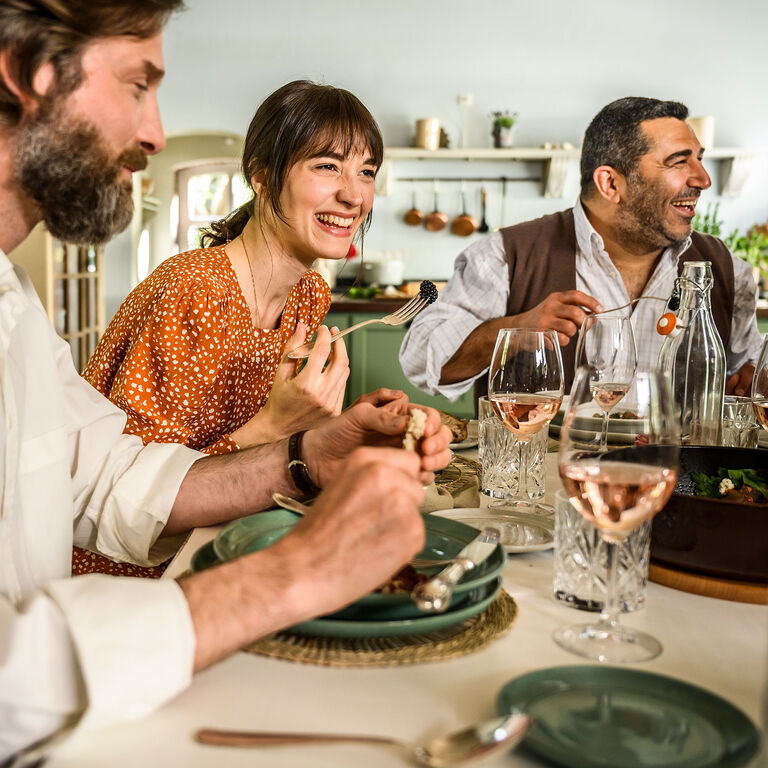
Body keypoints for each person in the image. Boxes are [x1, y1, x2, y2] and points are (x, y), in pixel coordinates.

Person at [0, 1, 451, 760]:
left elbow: (104, 474)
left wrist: (308, 454)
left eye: (366, 172)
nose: (156, 134)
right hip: (119, 635)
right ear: (28, 76)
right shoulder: (190, 292)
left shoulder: (14, 300)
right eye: (139, 84)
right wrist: (289, 573)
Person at [73, 80, 382, 577]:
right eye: (327, 166)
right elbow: (126, 498)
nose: (353, 195)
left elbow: (282, 446)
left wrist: (343, 427)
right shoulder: (192, 292)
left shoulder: (308, 294)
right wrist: (279, 423)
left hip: (230, 540)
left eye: (366, 171)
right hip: (131, 579)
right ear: (262, 176)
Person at [400, 97, 762, 400]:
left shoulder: (727, 270)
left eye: (699, 158)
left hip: (678, 482)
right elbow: (421, 360)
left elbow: (749, 371)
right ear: (610, 183)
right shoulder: (506, 257)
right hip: (544, 481)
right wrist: (517, 330)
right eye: (680, 161)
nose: (703, 179)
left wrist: (753, 382)